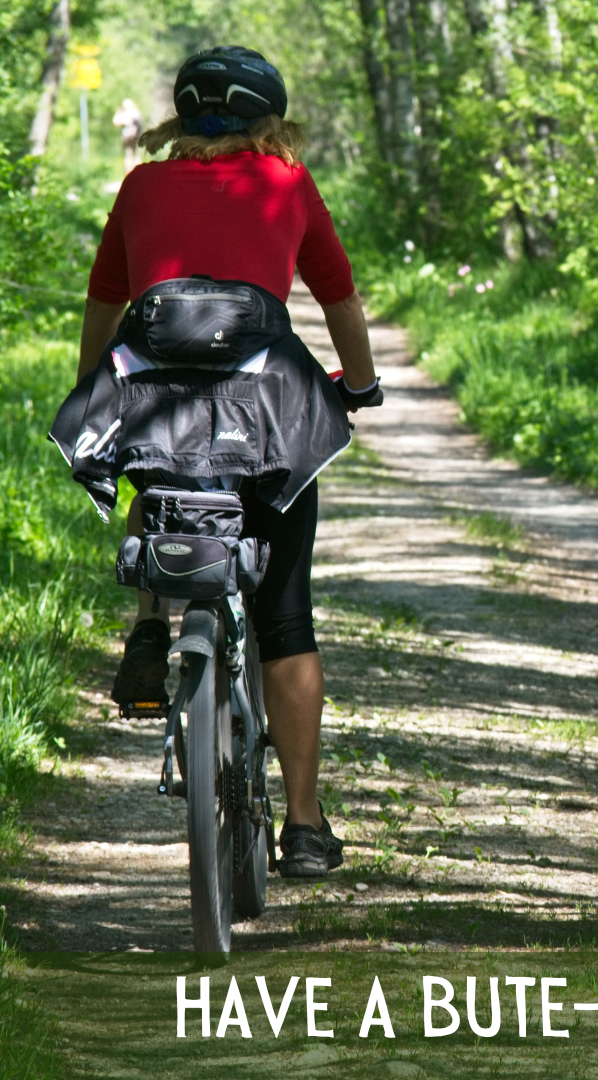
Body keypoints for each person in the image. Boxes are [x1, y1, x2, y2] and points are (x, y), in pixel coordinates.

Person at [72, 46, 382, 877]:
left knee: (154, 464)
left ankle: (148, 622)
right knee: (286, 616)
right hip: (266, 406)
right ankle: (307, 826)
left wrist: (91, 390)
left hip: (154, 395)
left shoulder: (140, 186)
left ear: (181, 118)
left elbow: (107, 302)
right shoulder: (285, 182)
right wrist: (362, 385)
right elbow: (338, 295)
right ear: (267, 121)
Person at [112, 97, 143, 174]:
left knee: (129, 155)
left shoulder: (124, 113)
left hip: (127, 136)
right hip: (136, 136)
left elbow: (115, 122)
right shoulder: (136, 112)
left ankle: (129, 173)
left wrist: (118, 112)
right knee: (136, 154)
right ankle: (138, 172)